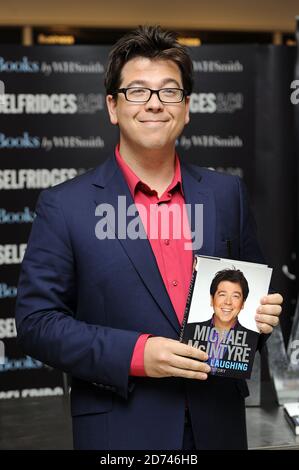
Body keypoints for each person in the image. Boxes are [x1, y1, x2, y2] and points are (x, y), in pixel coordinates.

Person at [15, 25, 282, 450]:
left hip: (218, 427)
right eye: (137, 91)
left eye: (169, 92)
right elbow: (36, 324)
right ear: (112, 107)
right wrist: (137, 354)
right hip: (121, 432)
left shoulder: (226, 194)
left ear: (187, 107)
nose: (154, 104)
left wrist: (259, 318)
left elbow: (247, 306)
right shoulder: (66, 206)